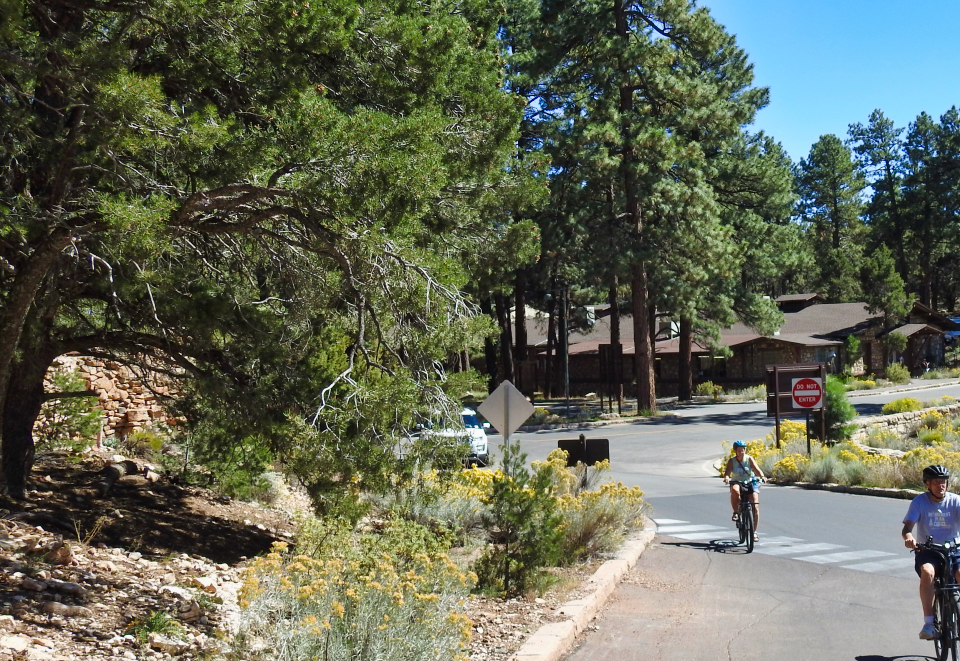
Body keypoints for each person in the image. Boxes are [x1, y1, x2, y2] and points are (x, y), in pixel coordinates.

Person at [902, 464, 960, 640]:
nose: (941, 485)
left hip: (955, 549)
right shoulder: (919, 502)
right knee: (927, 572)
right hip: (929, 550)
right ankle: (929, 623)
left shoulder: (956, 501)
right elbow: (907, 528)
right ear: (927, 484)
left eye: (943, 482)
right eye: (936, 482)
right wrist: (909, 539)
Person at [723, 440, 766, 542]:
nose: (741, 452)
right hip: (737, 482)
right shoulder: (732, 461)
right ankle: (736, 512)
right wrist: (727, 478)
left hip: (750, 482)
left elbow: (757, 470)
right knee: (735, 491)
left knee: (755, 506)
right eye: (739, 450)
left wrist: (762, 476)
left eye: (743, 450)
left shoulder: (749, 459)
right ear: (735, 451)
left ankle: (754, 532)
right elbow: (727, 472)